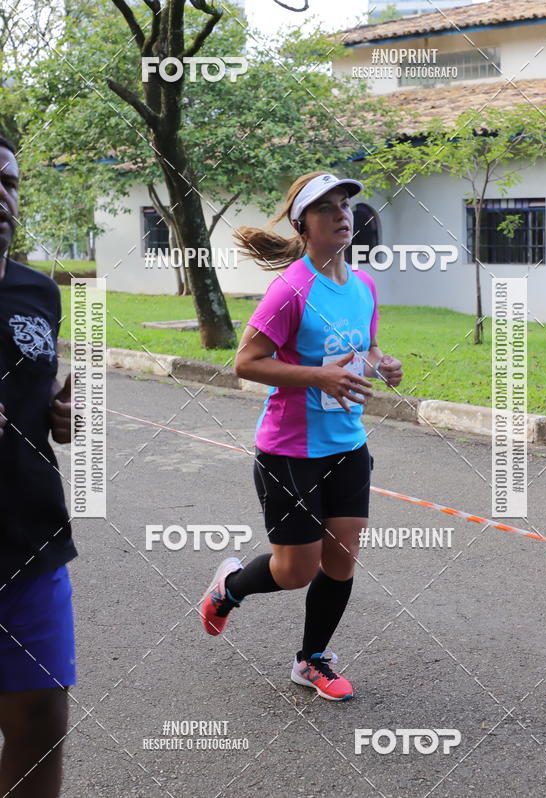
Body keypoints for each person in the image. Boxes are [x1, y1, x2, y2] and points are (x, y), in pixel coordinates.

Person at [200, 171, 403, 701]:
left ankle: (311, 660)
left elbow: (369, 346)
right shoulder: (291, 289)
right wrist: (318, 376)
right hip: (290, 451)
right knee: (295, 571)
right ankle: (230, 586)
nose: (343, 214)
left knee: (342, 558)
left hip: (348, 444)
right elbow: (246, 362)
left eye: (346, 205)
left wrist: (384, 364)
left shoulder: (363, 286)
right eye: (327, 208)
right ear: (303, 225)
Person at [0, 135, 75, 797]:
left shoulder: (38, 292)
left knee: (41, 722)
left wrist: (60, 410)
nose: (2, 196)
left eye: (10, 182)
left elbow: (41, 388)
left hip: (30, 541)